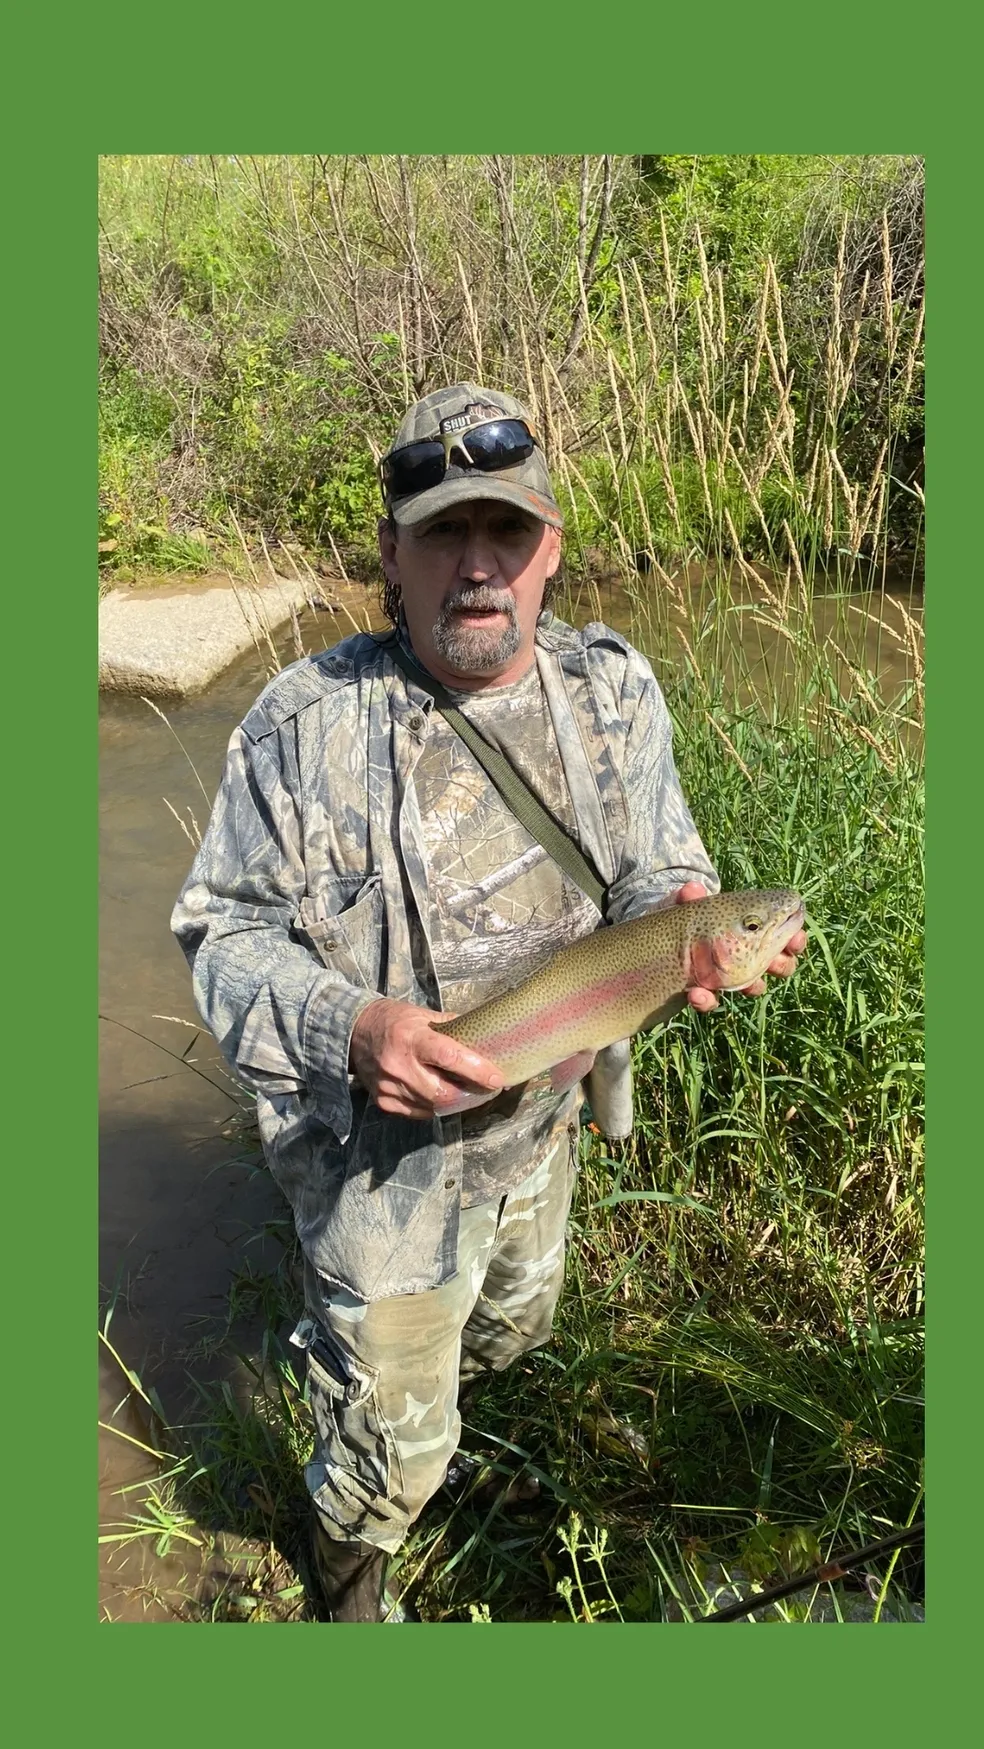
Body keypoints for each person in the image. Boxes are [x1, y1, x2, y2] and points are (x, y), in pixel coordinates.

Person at [171, 383, 807, 1621]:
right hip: (377, 1179)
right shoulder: (300, 724)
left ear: (549, 551)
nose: (478, 569)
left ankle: (449, 1444)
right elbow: (219, 934)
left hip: (538, 1141)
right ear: (393, 559)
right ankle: (350, 1588)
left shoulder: (613, 694)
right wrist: (348, 1031)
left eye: (504, 536)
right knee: (382, 1452)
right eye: (443, 536)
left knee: (511, 1333)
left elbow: (655, 875)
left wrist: (701, 921)